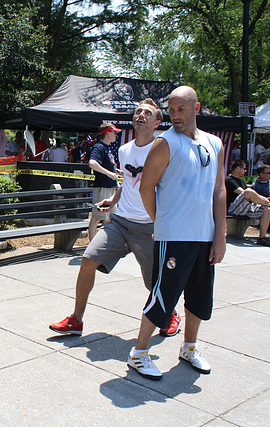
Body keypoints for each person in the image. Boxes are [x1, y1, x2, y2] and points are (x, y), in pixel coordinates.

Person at [50, 98, 184, 337]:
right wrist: (113, 200)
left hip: (149, 227)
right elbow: (128, 184)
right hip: (120, 222)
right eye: (138, 112)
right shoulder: (124, 150)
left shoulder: (164, 151)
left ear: (157, 123)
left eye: (147, 113)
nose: (141, 115)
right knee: (88, 259)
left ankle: (171, 314)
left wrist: (166, 223)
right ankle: (76, 320)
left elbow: (170, 190)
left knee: (154, 282)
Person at [128, 85, 226, 381]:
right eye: (170, 110)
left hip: (204, 235)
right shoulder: (165, 143)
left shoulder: (215, 143)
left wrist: (220, 234)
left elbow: (219, 189)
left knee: (199, 297)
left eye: (181, 109)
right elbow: (146, 188)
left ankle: (189, 347)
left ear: (196, 108)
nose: (175, 115)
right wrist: (162, 222)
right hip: (174, 236)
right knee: (163, 297)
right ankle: (139, 353)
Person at [226, 160, 270, 247]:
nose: (245, 171)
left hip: (247, 208)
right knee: (248, 192)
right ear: (238, 168)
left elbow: (253, 197)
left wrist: (266, 200)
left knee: (266, 209)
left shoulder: (242, 181)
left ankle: (262, 238)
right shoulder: (229, 180)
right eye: (244, 169)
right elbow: (244, 193)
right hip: (233, 209)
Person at [88, 122, 120, 241]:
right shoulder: (99, 147)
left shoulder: (107, 148)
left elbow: (105, 164)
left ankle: (104, 243)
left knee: (108, 218)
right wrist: (108, 173)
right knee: (97, 218)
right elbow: (92, 163)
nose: (116, 134)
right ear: (107, 133)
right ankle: (92, 245)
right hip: (102, 187)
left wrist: (116, 170)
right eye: (114, 132)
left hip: (111, 187)